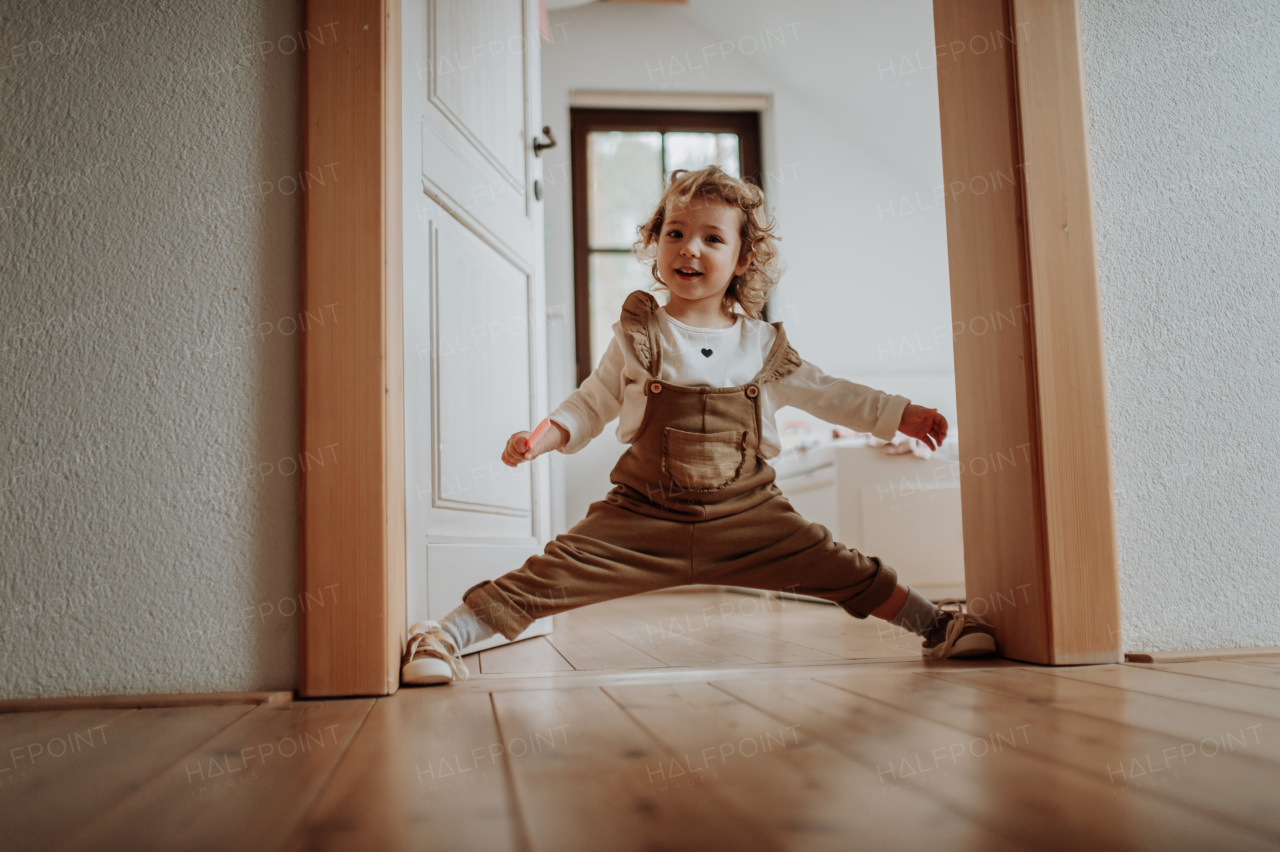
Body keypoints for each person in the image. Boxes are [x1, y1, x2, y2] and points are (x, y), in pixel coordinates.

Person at [401, 165, 995, 686]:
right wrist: (541, 437)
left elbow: (830, 394)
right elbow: (591, 401)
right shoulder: (639, 335)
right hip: (641, 514)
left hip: (750, 516)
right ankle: (440, 637)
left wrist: (900, 415)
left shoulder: (763, 345)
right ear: (656, 245)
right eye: (675, 234)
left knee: (842, 567)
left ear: (742, 259)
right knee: (554, 570)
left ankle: (936, 624)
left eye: (712, 238)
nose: (689, 249)